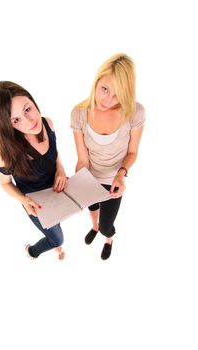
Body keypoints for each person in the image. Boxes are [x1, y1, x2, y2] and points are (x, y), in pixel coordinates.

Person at [70, 53, 145, 260]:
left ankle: (107, 237)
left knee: (106, 225)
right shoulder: (78, 113)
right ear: (97, 81)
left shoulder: (135, 112)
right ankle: (93, 227)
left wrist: (121, 174)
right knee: (92, 208)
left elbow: (132, 152)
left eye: (117, 94)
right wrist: (78, 181)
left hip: (114, 181)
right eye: (105, 89)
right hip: (90, 178)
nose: (108, 100)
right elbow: (82, 160)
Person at [0, 81, 67, 260]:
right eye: (16, 120)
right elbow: (5, 183)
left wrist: (60, 169)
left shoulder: (48, 123)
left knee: (58, 222)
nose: (30, 121)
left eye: (27, 109)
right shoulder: (4, 153)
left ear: (32, 100)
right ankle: (32, 252)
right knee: (58, 238)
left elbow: (53, 153)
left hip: (58, 191)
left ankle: (53, 242)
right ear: (7, 125)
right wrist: (24, 200)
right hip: (35, 203)